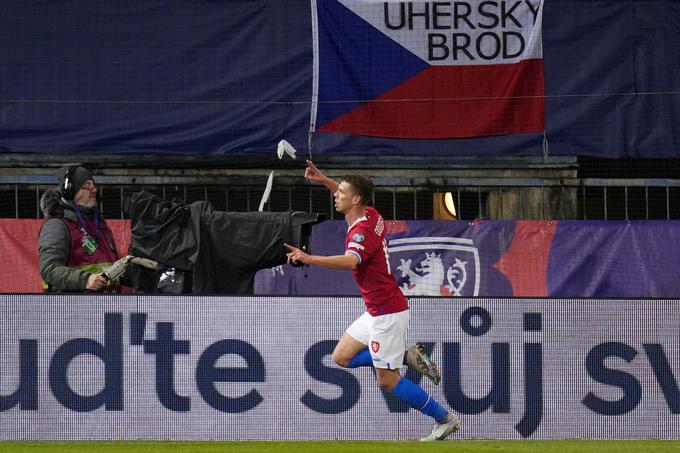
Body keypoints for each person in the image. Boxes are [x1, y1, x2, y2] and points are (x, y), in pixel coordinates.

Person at [284, 161, 460, 441]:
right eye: (336, 190)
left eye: (341, 192)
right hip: (379, 310)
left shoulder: (361, 233)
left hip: (387, 313)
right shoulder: (369, 214)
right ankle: (402, 355)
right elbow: (350, 196)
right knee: (341, 357)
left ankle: (444, 419)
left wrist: (309, 258)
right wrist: (323, 179)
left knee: (387, 380)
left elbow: (350, 260)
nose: (335, 195)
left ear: (355, 199)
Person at [38, 165, 120, 292]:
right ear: (69, 191)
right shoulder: (57, 225)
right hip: (72, 306)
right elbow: (50, 269)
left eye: (94, 186)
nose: (93, 190)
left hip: (103, 304)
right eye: (87, 187)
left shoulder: (97, 223)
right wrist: (85, 280)